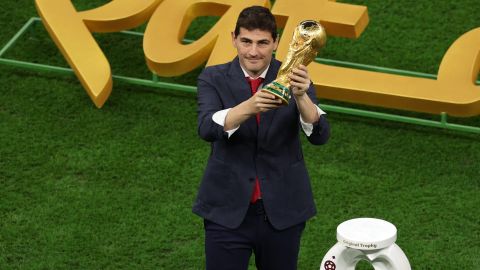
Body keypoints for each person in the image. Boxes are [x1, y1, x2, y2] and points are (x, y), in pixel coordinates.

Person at [193, 6, 330, 270]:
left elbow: (320, 135)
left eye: (262, 43)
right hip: (226, 213)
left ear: (276, 42)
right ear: (234, 38)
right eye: (246, 41)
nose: (253, 51)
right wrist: (251, 105)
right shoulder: (213, 78)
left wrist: (302, 97)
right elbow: (207, 128)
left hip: (282, 212)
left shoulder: (295, 75)